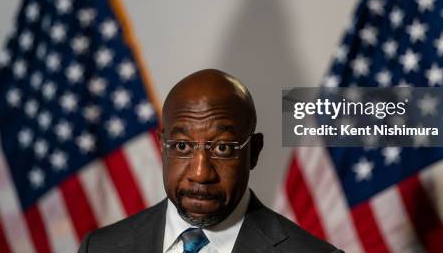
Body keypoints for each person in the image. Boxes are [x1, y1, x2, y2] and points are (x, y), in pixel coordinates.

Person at [78, 69, 342, 252]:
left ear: (254, 152)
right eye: (182, 146)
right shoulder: (100, 248)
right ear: (162, 148)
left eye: (223, 148)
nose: (201, 173)